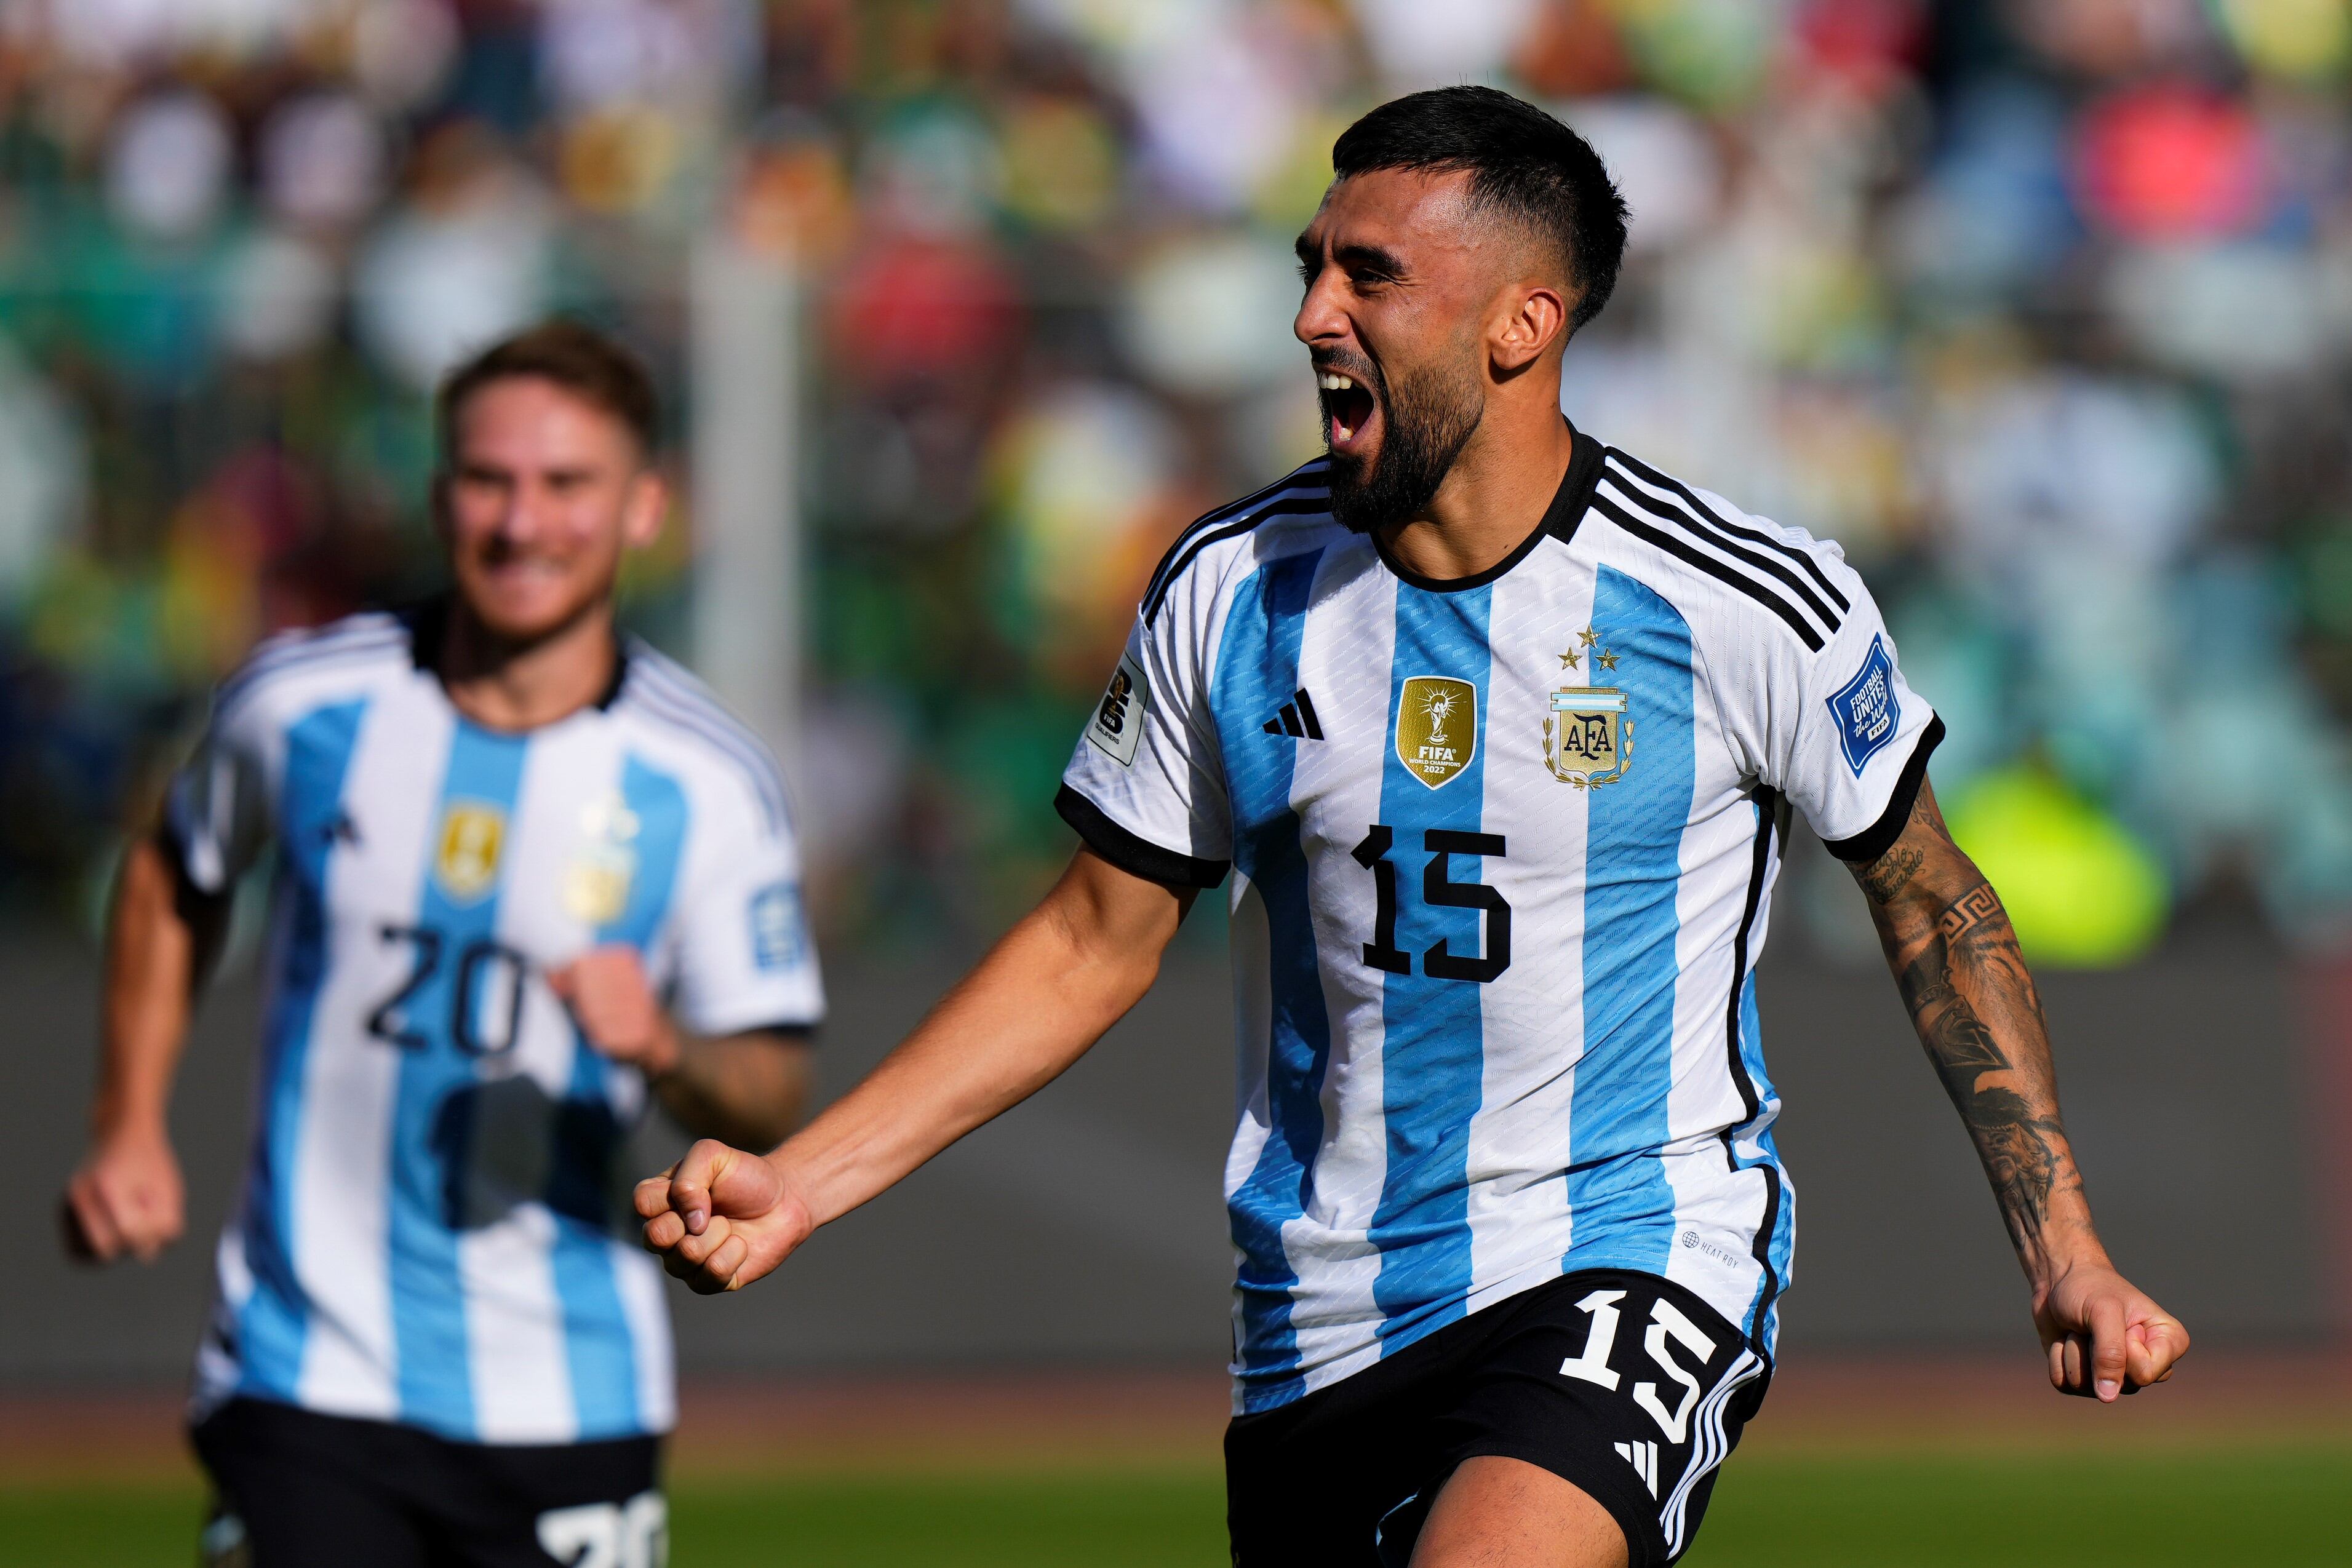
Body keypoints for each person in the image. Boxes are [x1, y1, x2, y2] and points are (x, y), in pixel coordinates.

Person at [635, 87, 2189, 1568]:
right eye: (1309, 268)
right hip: (1319, 1314)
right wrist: (808, 1181)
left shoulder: (1736, 602)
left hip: (1630, 1249)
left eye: (1367, 275)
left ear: (1526, 324)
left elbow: (1932, 902)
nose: (1314, 314)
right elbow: (1090, 939)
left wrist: (2063, 1249)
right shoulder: (1231, 590)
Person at [62, 320, 823, 1567]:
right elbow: (170, 871)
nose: (523, 523)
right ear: (439, 495)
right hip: (306, 1368)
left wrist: (664, 1043)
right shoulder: (302, 705)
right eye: (490, 481)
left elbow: (773, 1083)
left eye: (567, 485)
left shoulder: (709, 783)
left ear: (641, 510)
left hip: (571, 1387)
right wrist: (128, 1118)